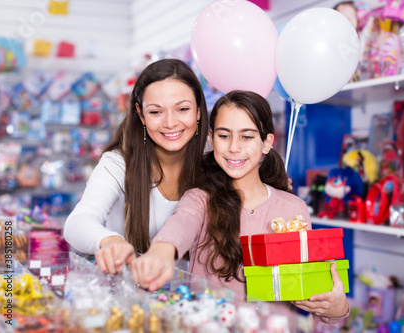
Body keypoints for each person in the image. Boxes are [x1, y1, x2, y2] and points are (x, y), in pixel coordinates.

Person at [130, 90, 350, 323]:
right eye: (224, 136)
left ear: (266, 143)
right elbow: (183, 222)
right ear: (212, 139)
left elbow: (315, 289)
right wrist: (163, 250)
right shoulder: (199, 199)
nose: (234, 147)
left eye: (247, 137)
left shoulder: (293, 208)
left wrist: (337, 308)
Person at [63, 58, 209, 274]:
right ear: (141, 114)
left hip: (190, 299)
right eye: (156, 112)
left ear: (198, 111)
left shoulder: (213, 161)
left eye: (182, 109)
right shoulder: (118, 162)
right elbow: (77, 223)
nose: (170, 123)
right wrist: (109, 240)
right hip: (127, 297)